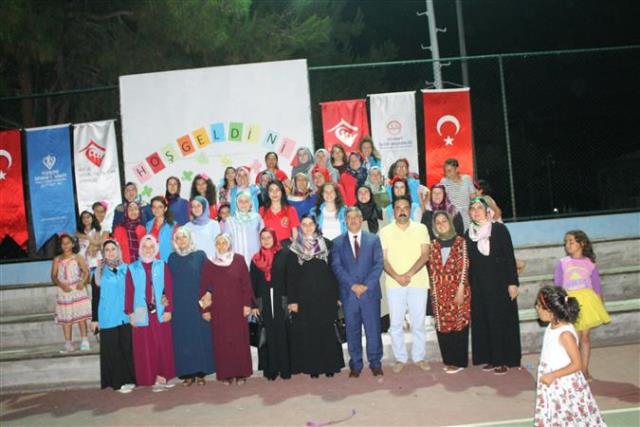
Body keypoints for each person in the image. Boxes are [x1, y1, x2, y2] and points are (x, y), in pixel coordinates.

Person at [533, 286, 606, 426]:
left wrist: (552, 375)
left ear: (551, 312)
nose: (537, 308)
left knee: (569, 416)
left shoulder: (565, 334)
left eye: (540, 306)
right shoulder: (551, 327)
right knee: (556, 415)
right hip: (553, 382)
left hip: (564, 385)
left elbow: (577, 364)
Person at [466, 197, 520, 374]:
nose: (476, 211)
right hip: (479, 285)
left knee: (500, 321)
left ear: (487, 210)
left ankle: (503, 359)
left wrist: (513, 283)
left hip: (500, 284)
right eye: (472, 209)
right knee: (483, 321)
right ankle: (489, 357)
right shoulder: (468, 233)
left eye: (479, 208)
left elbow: (509, 257)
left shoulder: (498, 229)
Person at [287, 215, 345, 378]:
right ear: (300, 227)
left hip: (326, 295)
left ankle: (330, 366)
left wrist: (337, 295)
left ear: (316, 225)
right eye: (304, 224)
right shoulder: (294, 248)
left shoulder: (327, 244)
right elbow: (291, 276)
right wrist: (292, 301)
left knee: (327, 329)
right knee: (309, 332)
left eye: (310, 224)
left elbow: (335, 270)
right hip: (304, 297)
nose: (307, 227)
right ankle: (313, 368)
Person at [379, 196, 431, 373]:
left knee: (418, 323)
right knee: (395, 324)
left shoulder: (421, 228)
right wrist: (396, 276)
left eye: (405, 207)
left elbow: (425, 254)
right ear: (393, 211)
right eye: (398, 208)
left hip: (418, 282)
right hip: (394, 284)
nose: (402, 211)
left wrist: (408, 274)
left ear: (410, 210)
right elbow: (383, 259)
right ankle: (400, 358)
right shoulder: (385, 232)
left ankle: (419, 357)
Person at [330, 207, 384, 377]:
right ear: (345, 221)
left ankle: (375, 363)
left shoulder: (373, 239)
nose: (353, 220)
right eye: (349, 217)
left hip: (370, 293)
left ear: (361, 219)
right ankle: (356, 364)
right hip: (349, 294)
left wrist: (365, 285)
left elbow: (378, 264)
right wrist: (352, 286)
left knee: (373, 329)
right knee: (352, 331)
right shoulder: (337, 243)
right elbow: (336, 266)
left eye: (356, 217)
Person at [554, 230, 610, 381]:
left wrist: (601, 307)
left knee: (585, 337)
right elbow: (558, 286)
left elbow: (597, 287)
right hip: (570, 302)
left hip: (588, 302)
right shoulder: (562, 263)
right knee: (574, 337)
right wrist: (558, 307)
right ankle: (573, 369)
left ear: (582, 244)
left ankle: (584, 369)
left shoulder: (590, 264)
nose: (567, 245)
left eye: (571, 242)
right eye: (566, 242)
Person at [199, 234, 254, 385]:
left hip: (238, 307)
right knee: (222, 341)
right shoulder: (210, 263)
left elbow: (246, 284)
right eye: (218, 243)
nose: (221, 245)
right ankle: (226, 374)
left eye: (224, 242)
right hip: (218, 308)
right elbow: (204, 287)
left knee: (239, 340)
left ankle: (241, 373)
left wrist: (247, 304)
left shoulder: (239, 259)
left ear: (229, 244)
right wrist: (205, 310)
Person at [125, 235, 176, 391]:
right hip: (141, 311)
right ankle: (149, 377)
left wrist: (169, 310)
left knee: (161, 344)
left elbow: (169, 288)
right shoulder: (132, 268)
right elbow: (129, 291)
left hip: (159, 310)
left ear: (156, 249)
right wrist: (130, 313)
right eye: (145, 247)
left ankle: (162, 375)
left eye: (151, 246)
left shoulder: (162, 265)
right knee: (145, 346)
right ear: (140, 249)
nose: (148, 250)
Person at [167, 227, 215, 386]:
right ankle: (187, 373)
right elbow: (167, 281)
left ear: (190, 239)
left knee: (199, 336)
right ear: (175, 241)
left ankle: (201, 373)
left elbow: (209, 276)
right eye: (178, 238)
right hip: (179, 304)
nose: (181, 240)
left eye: (184, 237)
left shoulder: (200, 255)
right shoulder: (172, 258)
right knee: (183, 338)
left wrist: (209, 293)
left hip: (197, 303)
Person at [426, 211, 471, 373]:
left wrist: (461, 289)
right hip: (439, 293)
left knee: (459, 325)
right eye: (437, 222)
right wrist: (434, 293)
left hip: (458, 290)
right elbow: (431, 270)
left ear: (450, 222)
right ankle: (449, 360)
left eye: (444, 221)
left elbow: (464, 266)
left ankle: (459, 362)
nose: (441, 224)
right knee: (443, 326)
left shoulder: (460, 242)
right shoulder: (433, 245)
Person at [90, 240, 136, 393]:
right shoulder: (98, 272)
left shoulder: (127, 269)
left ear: (118, 250)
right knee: (113, 351)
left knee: (127, 349)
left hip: (125, 316)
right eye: (107, 250)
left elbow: (133, 292)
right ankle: (117, 383)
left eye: (113, 249)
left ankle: (129, 379)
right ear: (103, 253)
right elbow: (95, 297)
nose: (110, 252)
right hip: (108, 317)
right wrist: (95, 319)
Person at [249, 228, 291, 381]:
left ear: (274, 238)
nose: (266, 240)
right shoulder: (256, 259)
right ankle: (270, 369)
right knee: (267, 334)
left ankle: (285, 368)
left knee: (282, 332)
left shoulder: (284, 255)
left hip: (281, 299)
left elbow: (290, 278)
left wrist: (291, 301)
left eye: (269, 237)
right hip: (264, 300)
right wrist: (253, 305)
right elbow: (252, 283)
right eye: (263, 238)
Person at [51, 233, 91, 353]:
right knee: (66, 318)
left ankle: (84, 340)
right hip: (64, 291)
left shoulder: (77, 257)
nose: (66, 245)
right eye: (63, 243)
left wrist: (82, 282)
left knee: (81, 317)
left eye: (68, 243)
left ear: (73, 244)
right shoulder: (57, 259)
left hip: (77, 289)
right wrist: (61, 285)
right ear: (60, 245)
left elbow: (86, 272)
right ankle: (68, 343)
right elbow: (53, 276)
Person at [226, 191, 265, 268]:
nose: (243, 204)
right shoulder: (230, 220)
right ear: (236, 203)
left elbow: (263, 236)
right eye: (240, 201)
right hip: (237, 259)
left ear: (250, 203)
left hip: (255, 258)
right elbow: (226, 242)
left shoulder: (257, 218)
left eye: (246, 201)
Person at [440, 158, 477, 230]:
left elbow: (473, 198)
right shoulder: (444, 181)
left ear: (457, 169)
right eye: (445, 171)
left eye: (449, 171)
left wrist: (473, 211)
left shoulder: (467, 179)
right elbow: (443, 201)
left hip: (467, 215)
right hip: (453, 216)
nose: (447, 174)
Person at [259, 180, 300, 245]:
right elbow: (259, 232)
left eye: (277, 190)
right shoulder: (262, 210)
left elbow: (295, 232)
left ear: (282, 192)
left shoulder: (290, 210)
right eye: (271, 190)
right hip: (269, 248)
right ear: (268, 193)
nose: (274, 193)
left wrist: (295, 247)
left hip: (285, 248)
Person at [146, 196, 176, 262]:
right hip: (152, 262)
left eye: (160, 207)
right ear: (151, 209)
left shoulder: (173, 226)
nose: (157, 209)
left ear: (165, 209)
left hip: (168, 262)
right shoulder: (148, 225)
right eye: (154, 207)